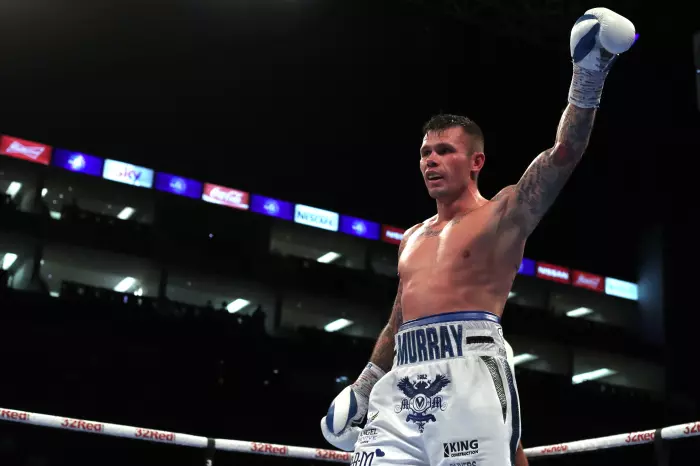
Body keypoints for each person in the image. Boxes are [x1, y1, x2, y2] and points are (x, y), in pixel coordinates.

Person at [321, 8, 635, 466]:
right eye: (425, 152)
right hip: (402, 384)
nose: (430, 160)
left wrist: (587, 77)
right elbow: (398, 319)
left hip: (472, 374)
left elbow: (564, 154)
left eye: (444, 150)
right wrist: (366, 383)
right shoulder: (411, 237)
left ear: (476, 162)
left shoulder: (503, 214)